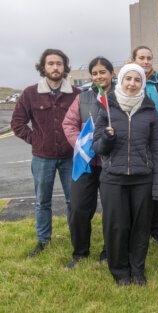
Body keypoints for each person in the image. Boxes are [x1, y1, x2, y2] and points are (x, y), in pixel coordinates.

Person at [93, 64, 158, 286]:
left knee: (140, 227)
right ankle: (120, 272)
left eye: (137, 80)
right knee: (116, 227)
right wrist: (106, 139)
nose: (132, 83)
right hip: (113, 178)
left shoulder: (150, 111)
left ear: (142, 83)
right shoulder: (107, 107)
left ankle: (137, 269)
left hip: (142, 178)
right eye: (128, 79)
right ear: (121, 80)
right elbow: (97, 147)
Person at [11, 49, 80, 258]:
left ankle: (76, 238)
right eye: (50, 63)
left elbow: (85, 123)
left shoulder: (77, 94)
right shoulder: (30, 93)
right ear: (43, 67)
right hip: (42, 158)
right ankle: (43, 240)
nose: (55, 67)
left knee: (73, 201)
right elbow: (17, 123)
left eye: (59, 63)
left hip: (70, 157)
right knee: (42, 201)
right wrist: (36, 140)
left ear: (65, 67)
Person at [62, 57, 114, 268]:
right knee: (78, 208)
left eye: (103, 72)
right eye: (95, 73)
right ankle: (80, 252)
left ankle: (109, 251)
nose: (99, 76)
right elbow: (69, 124)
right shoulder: (82, 98)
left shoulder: (121, 96)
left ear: (111, 73)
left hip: (112, 164)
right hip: (87, 163)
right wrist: (82, 146)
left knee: (112, 210)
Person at [132, 46, 158, 246]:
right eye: (142, 58)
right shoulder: (128, 82)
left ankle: (157, 231)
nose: (146, 61)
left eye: (149, 58)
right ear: (133, 60)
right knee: (140, 188)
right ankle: (140, 227)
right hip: (135, 145)